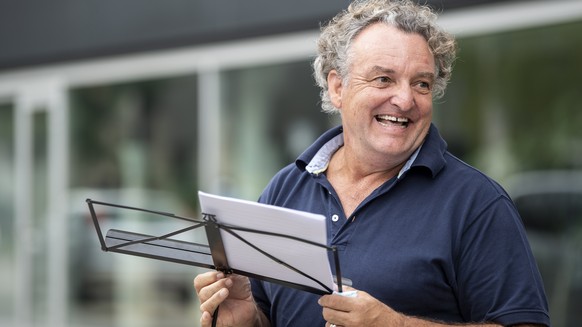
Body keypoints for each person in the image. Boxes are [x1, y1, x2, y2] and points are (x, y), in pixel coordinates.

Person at [194, 0, 551, 326]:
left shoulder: (477, 204)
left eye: (421, 84)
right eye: (384, 79)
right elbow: (273, 316)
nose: (405, 99)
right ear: (338, 88)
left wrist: (394, 324)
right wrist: (245, 318)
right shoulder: (285, 189)